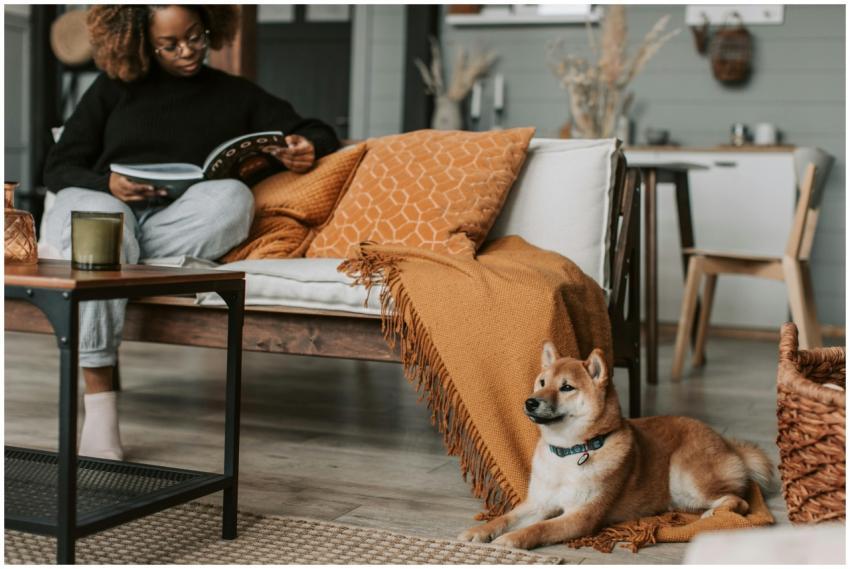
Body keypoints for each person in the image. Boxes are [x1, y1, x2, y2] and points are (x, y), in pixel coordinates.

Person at [42, 5, 341, 460]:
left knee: (232, 198)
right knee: (106, 224)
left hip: (170, 223)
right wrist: (109, 184)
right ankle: (100, 410)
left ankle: (120, 259)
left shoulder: (234, 94)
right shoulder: (112, 88)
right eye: (170, 44)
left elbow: (312, 128)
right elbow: (59, 167)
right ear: (141, 41)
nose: (188, 51)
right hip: (100, 204)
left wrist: (307, 146)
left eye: (196, 37)